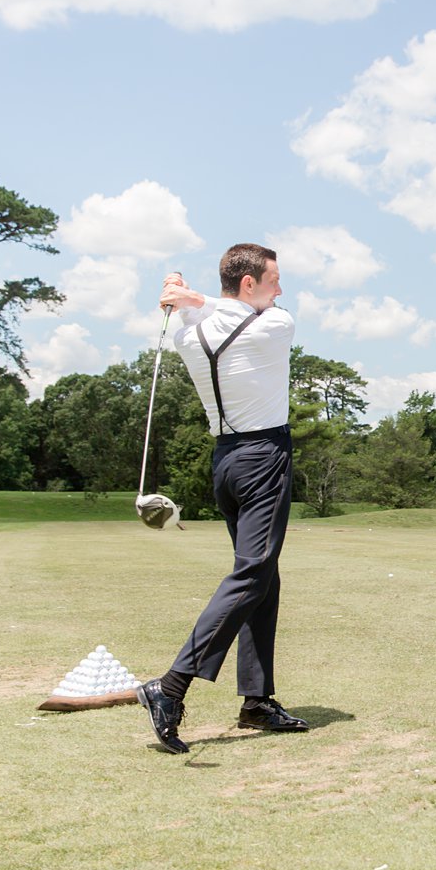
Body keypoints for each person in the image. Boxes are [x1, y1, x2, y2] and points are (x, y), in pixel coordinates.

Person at [136, 242, 309, 754]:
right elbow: (253, 313)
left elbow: (211, 313)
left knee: (263, 575)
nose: (281, 288)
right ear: (249, 284)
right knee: (253, 572)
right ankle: (170, 687)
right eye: (274, 279)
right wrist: (190, 295)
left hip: (226, 463)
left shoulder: (191, 333)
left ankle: (256, 700)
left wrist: (186, 298)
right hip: (263, 457)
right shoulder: (276, 325)